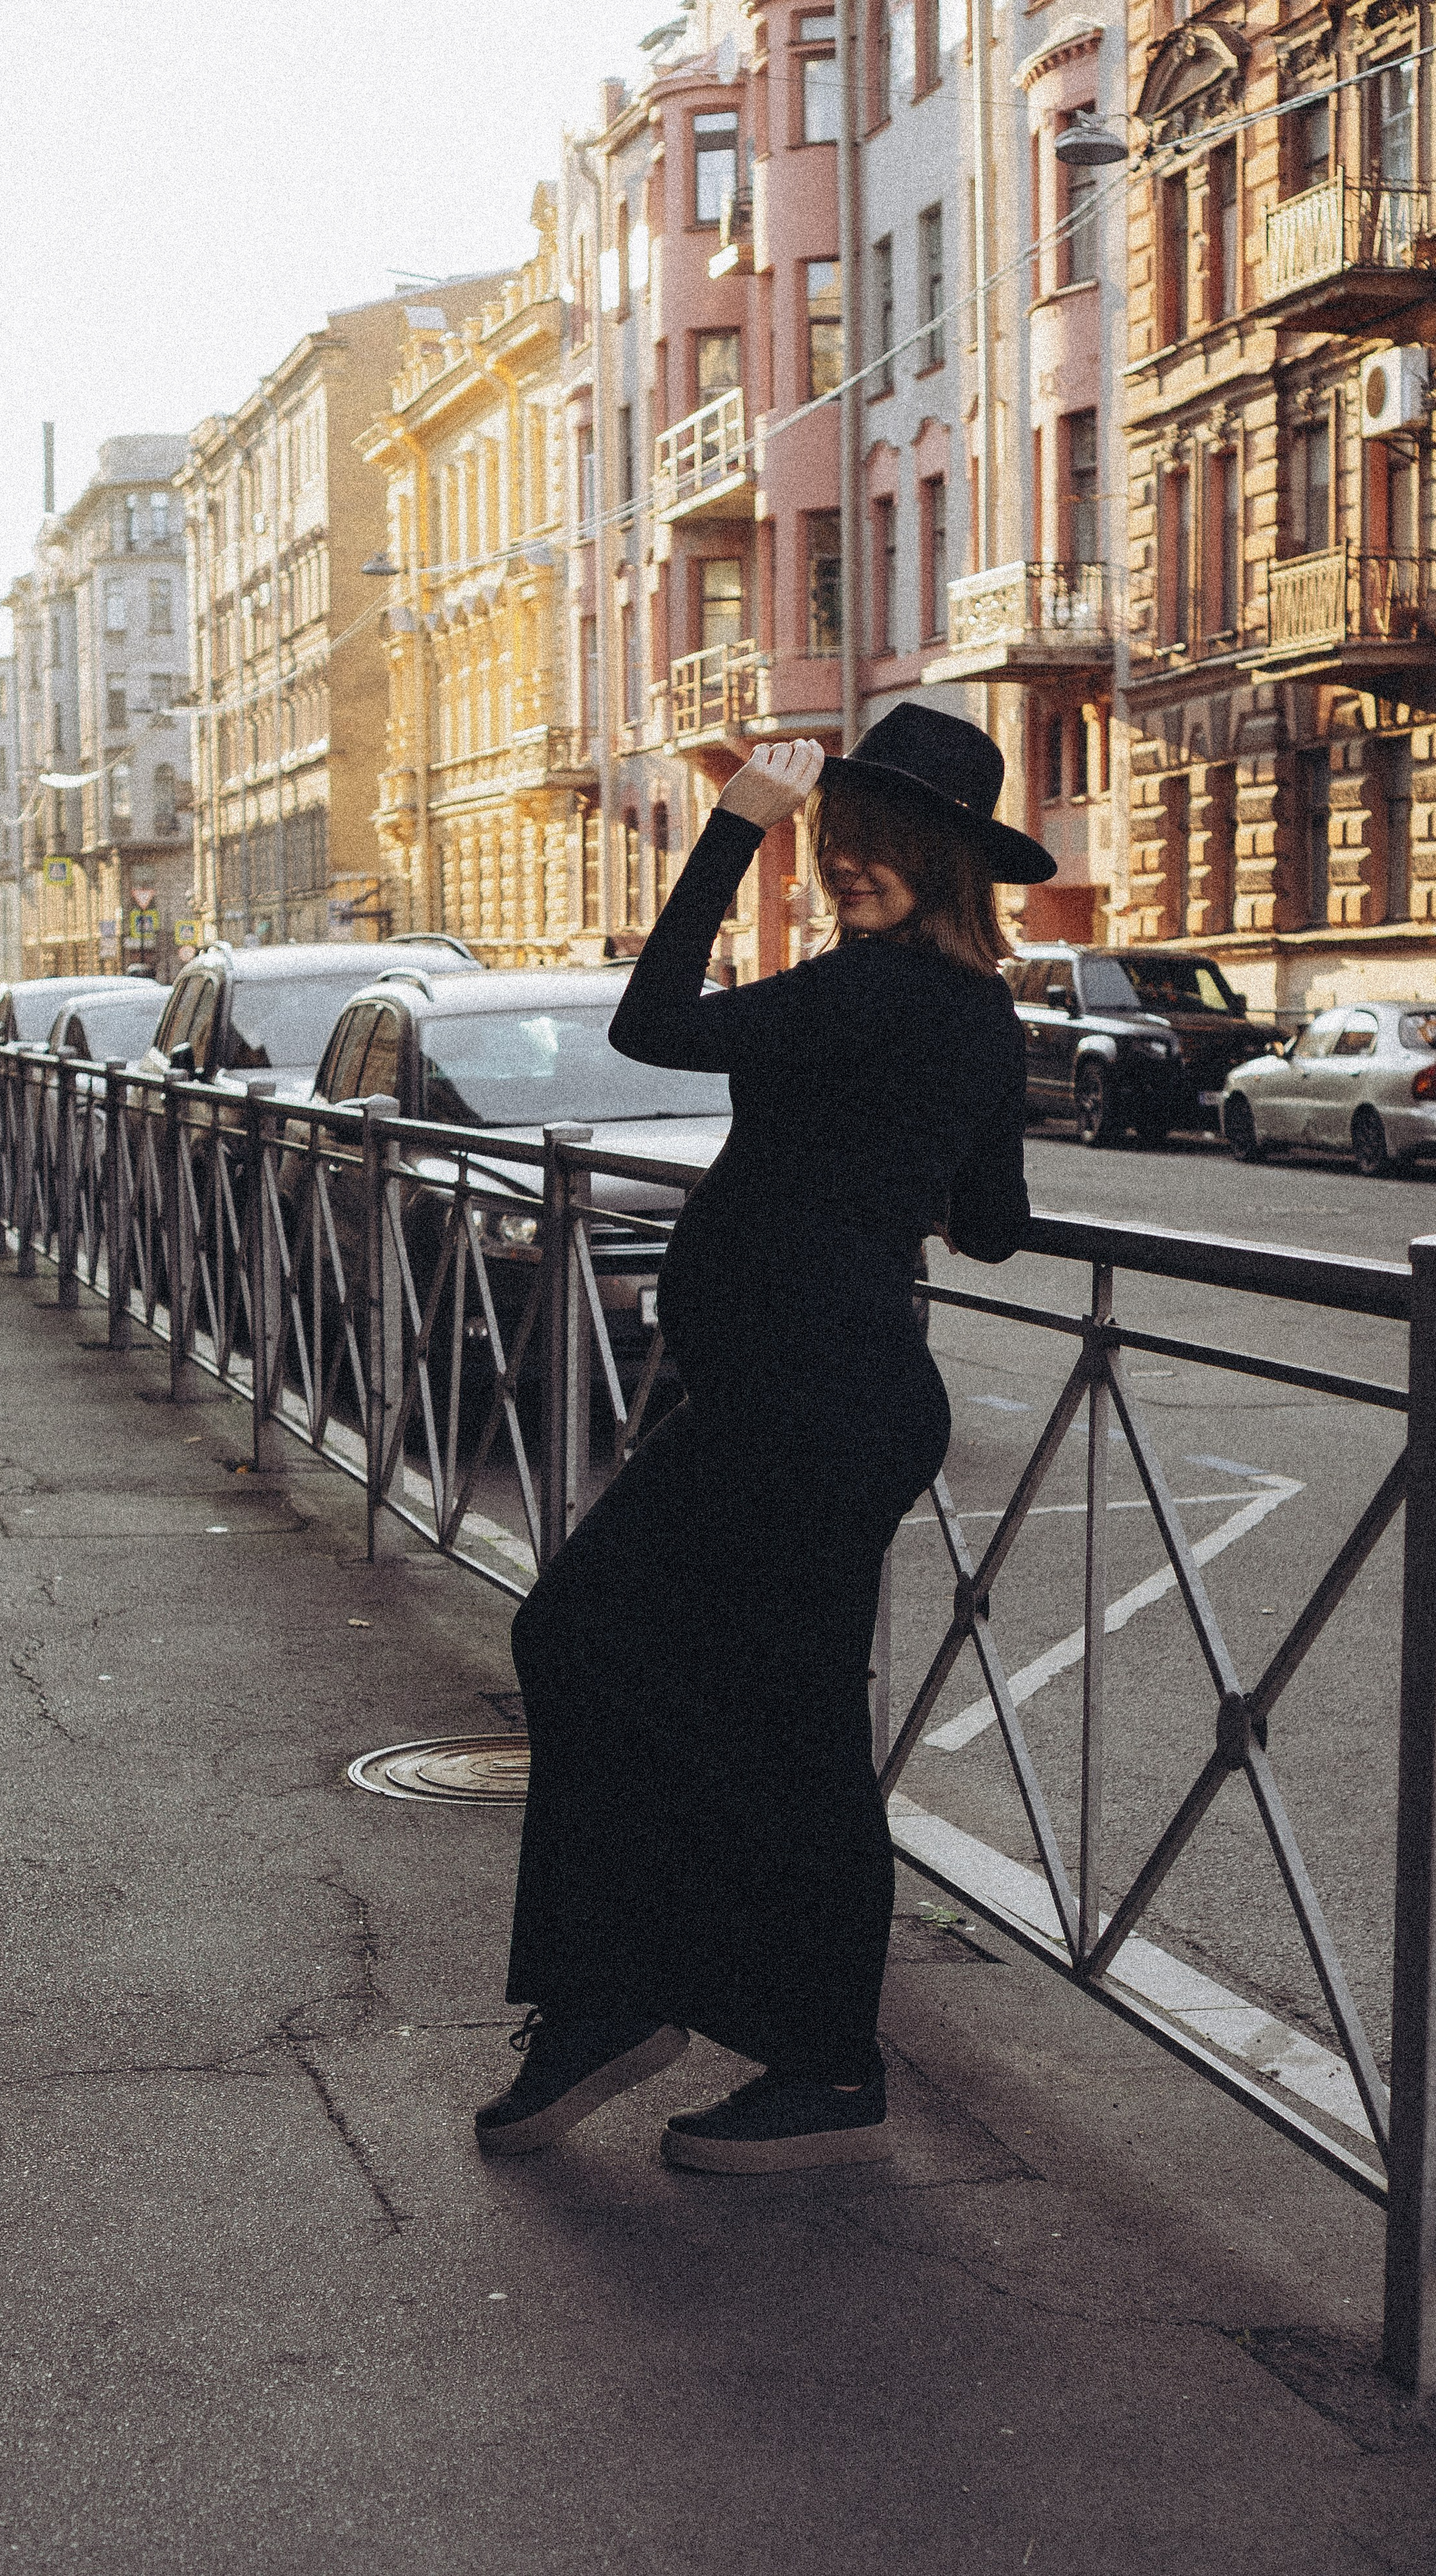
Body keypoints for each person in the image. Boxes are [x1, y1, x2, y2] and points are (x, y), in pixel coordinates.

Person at [474, 702, 1055, 2174]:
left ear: (942, 861)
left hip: (808, 1405)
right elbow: (993, 1228)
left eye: (879, 845)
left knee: (661, 1670)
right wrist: (891, 1166)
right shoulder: (968, 1011)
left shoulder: (865, 995)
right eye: (837, 838)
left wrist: (735, 823)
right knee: (671, 1674)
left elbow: (653, 1023)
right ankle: (651, 2004)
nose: (849, 863)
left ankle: (783, 2051)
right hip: (810, 1398)